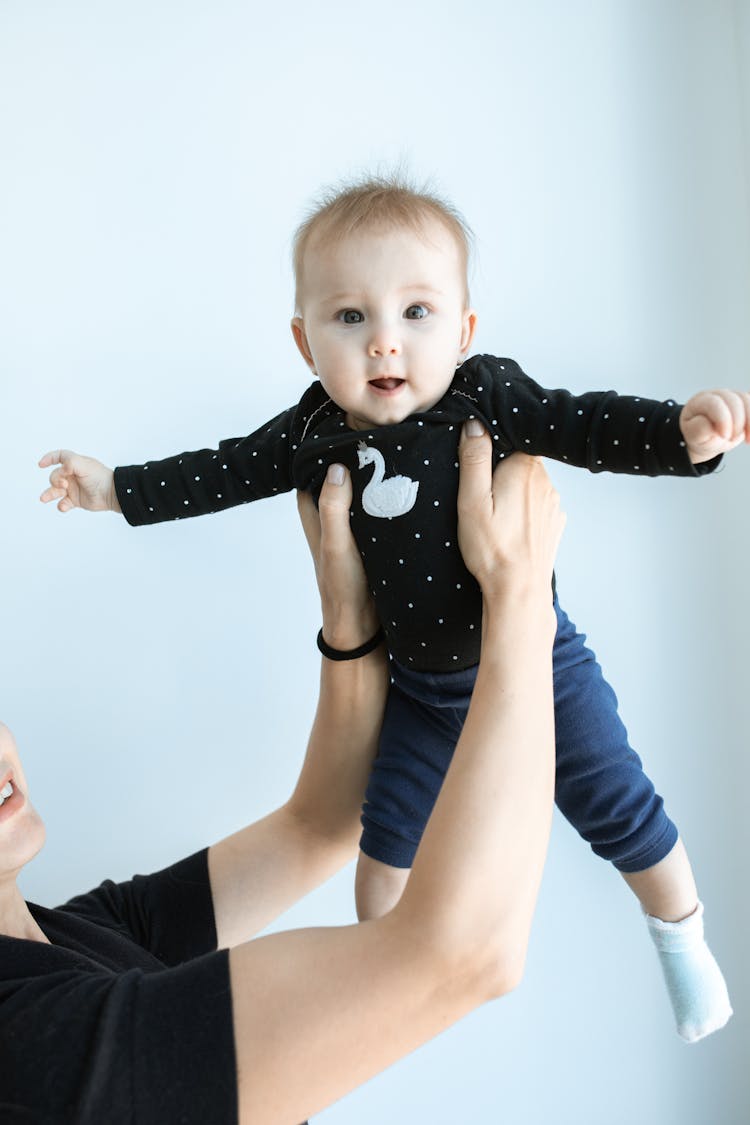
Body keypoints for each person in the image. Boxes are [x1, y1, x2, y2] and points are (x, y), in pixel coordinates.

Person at [39, 174, 744, 1043]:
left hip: (539, 665)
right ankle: (387, 985)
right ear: (304, 342)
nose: (384, 344)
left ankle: (683, 938)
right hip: (419, 688)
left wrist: (683, 433)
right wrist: (116, 488)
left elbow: (585, 422)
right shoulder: (311, 431)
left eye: (416, 313)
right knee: (380, 861)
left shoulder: (483, 396)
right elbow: (219, 471)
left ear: (464, 329)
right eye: (350, 318)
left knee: (621, 806)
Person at [8, 434, 559, 1123]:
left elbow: (319, 825)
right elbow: (468, 952)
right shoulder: (26, 1041)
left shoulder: (77, 932)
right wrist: (522, 600)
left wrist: (348, 617)